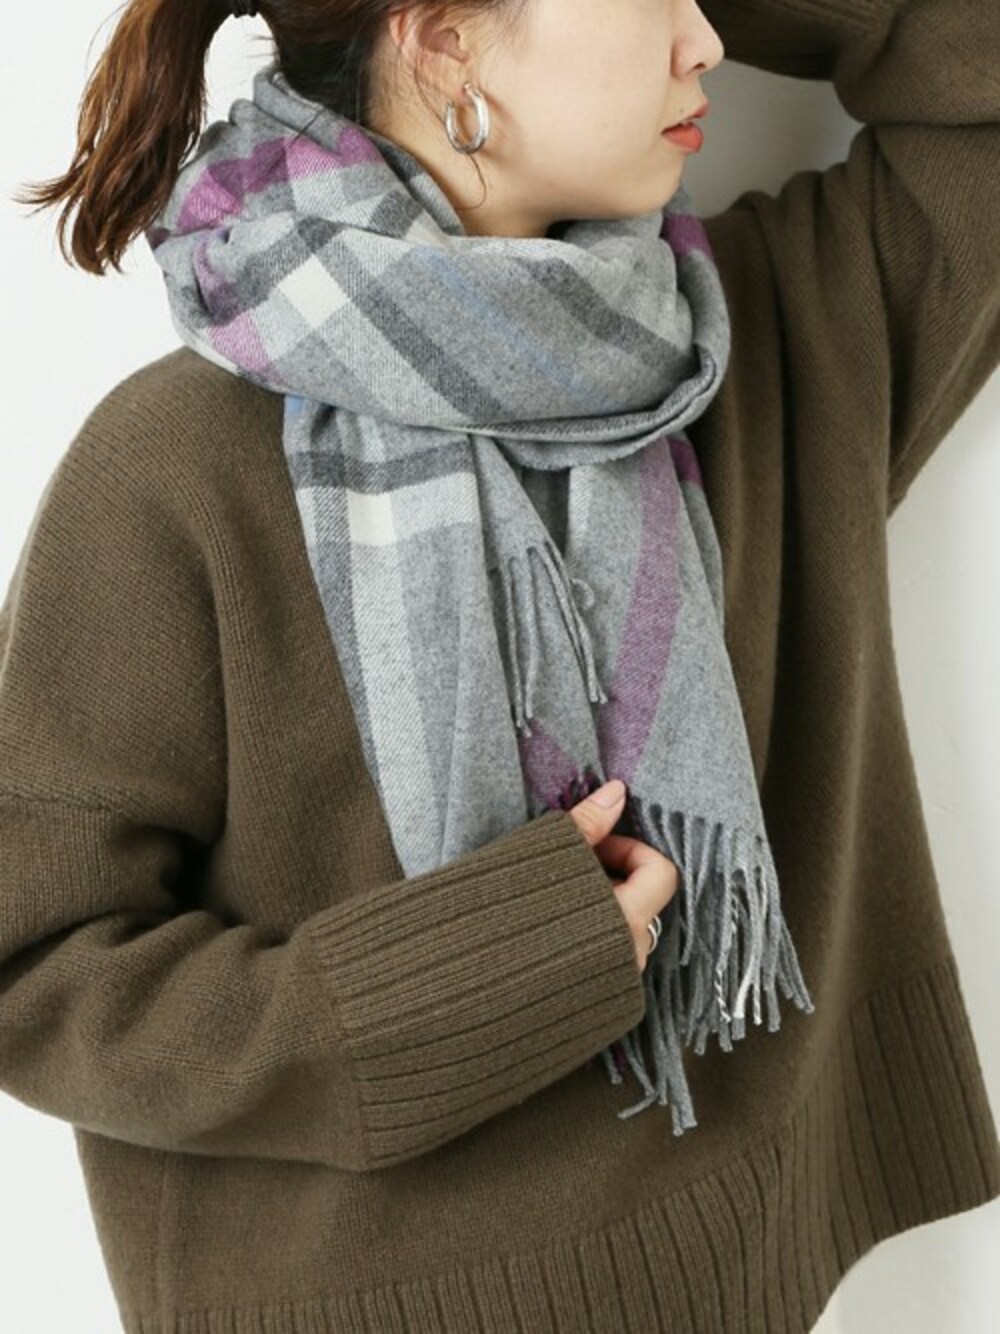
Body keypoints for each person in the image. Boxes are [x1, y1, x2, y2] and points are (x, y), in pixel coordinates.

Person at [2, 1, 997, 1331]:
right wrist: (478, 972)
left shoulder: (761, 338)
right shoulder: (172, 469)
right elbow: (35, 967)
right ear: (444, 40)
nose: (706, 41)